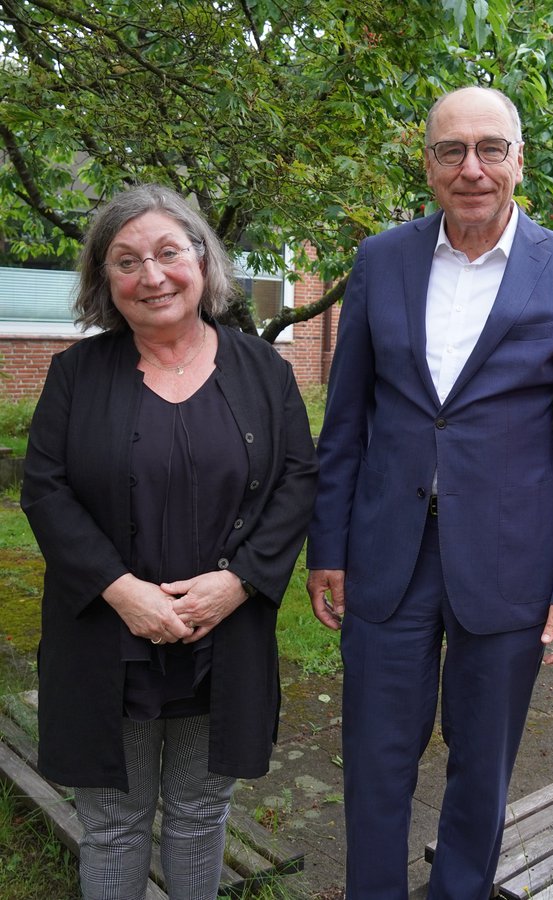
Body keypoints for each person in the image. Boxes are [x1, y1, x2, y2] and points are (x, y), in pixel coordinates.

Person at [305, 85, 553, 898]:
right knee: (375, 759)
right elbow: (346, 422)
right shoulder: (380, 260)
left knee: (482, 769)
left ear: (519, 160)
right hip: (385, 554)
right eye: (451, 151)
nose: (471, 168)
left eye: (489, 149)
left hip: (511, 561)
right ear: (429, 164)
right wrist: (326, 546)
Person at [21, 184, 319, 900]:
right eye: (126, 262)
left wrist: (239, 582)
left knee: (197, 811)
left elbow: (297, 481)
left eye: (166, 253)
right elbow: (45, 490)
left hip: (221, 641)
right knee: (115, 823)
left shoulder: (265, 373)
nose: (151, 276)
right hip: (109, 639)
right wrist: (122, 593)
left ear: (202, 260)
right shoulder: (74, 375)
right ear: (104, 282)